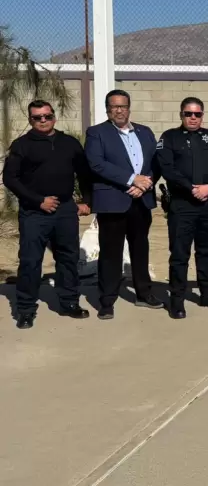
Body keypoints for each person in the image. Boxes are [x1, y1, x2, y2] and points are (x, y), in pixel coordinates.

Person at [2, 100, 92, 329]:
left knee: (68, 258)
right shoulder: (22, 145)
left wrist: (85, 201)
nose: (43, 120)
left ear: (54, 116)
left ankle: (69, 302)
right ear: (30, 120)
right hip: (34, 212)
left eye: (47, 116)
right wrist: (38, 201)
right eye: (37, 117)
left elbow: (84, 174)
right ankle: (25, 310)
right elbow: (10, 179)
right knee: (31, 262)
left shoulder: (69, 143)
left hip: (64, 210)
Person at [84, 89, 162, 319]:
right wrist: (131, 180)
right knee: (110, 253)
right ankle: (107, 301)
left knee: (140, 249)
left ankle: (143, 294)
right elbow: (97, 164)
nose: (119, 110)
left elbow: (156, 162)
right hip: (113, 201)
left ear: (129, 107)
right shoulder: (97, 133)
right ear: (108, 108)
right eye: (114, 106)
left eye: (123, 106)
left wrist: (144, 184)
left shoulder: (145, 132)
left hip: (142, 200)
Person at [156, 97, 208, 319]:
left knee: (207, 252)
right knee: (179, 254)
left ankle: (207, 293)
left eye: (197, 114)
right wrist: (191, 188)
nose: (192, 117)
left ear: (202, 116)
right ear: (181, 114)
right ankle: (177, 300)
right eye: (188, 113)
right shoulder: (170, 138)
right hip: (182, 205)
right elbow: (167, 169)